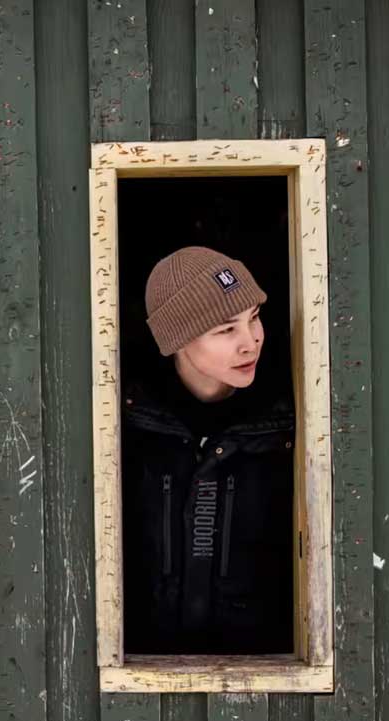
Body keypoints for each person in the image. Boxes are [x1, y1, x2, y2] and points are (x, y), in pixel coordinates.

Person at [120, 246, 293, 656]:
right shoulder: (128, 424)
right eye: (225, 330)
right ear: (176, 339)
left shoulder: (287, 420)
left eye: (254, 319)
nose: (250, 343)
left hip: (262, 675)